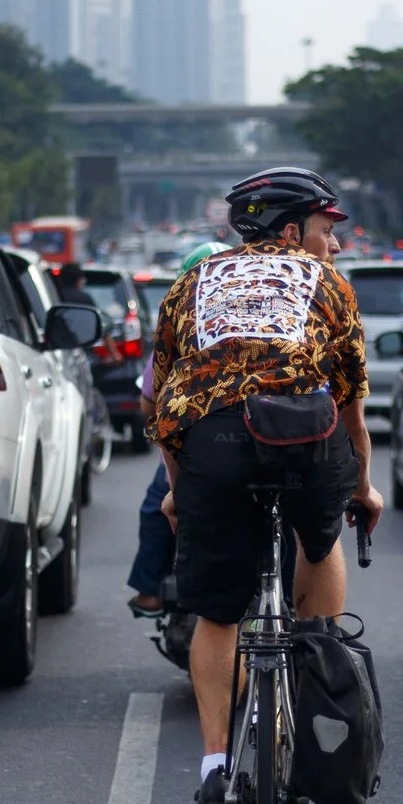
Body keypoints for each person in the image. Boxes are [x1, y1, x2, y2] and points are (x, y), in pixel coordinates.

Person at [145, 168, 383, 804]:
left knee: (218, 614)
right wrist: (359, 490)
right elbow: (351, 412)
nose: (333, 247)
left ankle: (216, 768)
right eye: (325, 232)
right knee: (320, 542)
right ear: (289, 231)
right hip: (306, 440)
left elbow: (165, 405)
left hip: (211, 446)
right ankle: (315, 672)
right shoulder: (329, 287)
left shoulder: (189, 284)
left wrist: (175, 487)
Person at [126, 240, 224, 616]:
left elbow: (150, 403)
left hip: (197, 448)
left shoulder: (178, 326)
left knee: (157, 507)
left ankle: (149, 590)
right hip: (268, 440)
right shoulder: (268, 317)